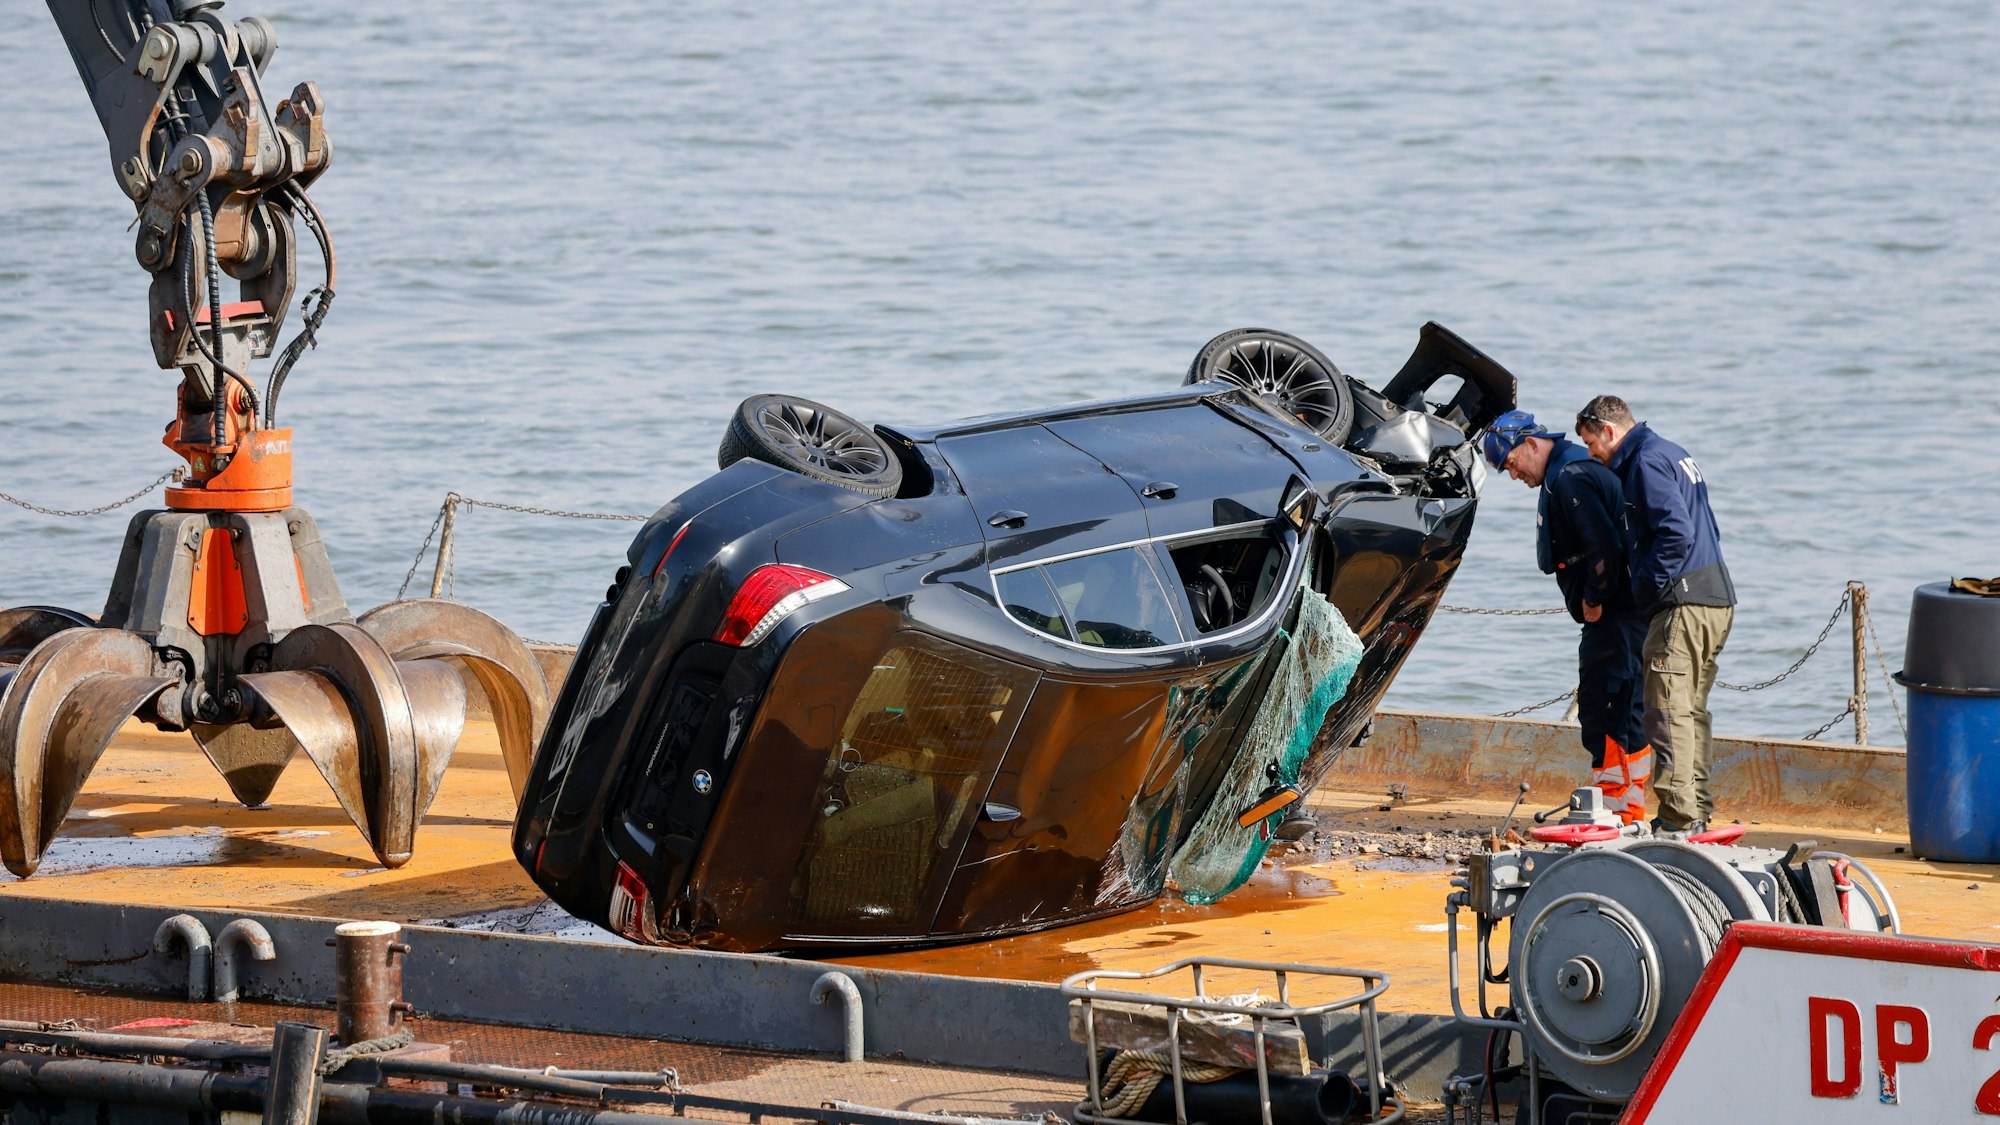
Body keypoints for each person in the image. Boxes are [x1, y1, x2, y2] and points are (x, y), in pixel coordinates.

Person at [1480, 410, 1651, 825]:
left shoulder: (1572, 476)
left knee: (1604, 707)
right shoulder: (1572, 469)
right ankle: (1628, 806)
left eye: (1512, 463)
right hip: (1625, 614)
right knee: (1626, 707)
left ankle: (1615, 807)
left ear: (1531, 444)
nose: (1513, 475)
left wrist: (1595, 597)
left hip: (1613, 614)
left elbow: (1603, 548)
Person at [1574, 395, 1735, 834]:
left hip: (1683, 603)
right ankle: (1696, 808)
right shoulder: (1672, 452)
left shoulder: (1644, 463)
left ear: (1609, 431)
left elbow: (1675, 534)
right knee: (1691, 709)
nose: (1591, 455)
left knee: (1664, 710)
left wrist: (1645, 587)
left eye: (1591, 444)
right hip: (1716, 597)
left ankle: (1679, 816)